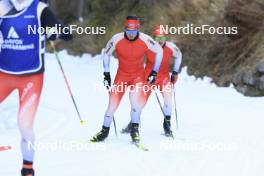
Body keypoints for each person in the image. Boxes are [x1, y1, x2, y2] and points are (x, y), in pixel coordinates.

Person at [0, 0, 72, 175]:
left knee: (24, 124)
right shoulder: (3, 6)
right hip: (4, 74)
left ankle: (28, 168)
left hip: (31, 78)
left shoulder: (39, 9)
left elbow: (67, 34)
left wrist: (54, 33)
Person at [91, 15, 163, 144]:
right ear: (125, 29)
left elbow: (159, 52)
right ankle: (104, 132)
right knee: (111, 106)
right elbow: (106, 54)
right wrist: (106, 74)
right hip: (122, 76)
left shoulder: (145, 39)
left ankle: (134, 132)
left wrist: (154, 71)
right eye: (128, 31)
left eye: (134, 31)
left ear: (138, 29)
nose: (131, 34)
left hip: (138, 77)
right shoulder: (116, 39)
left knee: (136, 105)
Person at [122, 25, 182, 137]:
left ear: (166, 38)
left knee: (169, 100)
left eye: (162, 38)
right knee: (140, 102)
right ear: (153, 38)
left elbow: (179, 56)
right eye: (157, 38)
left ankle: (167, 126)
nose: (159, 41)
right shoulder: (148, 46)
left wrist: (175, 72)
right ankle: (133, 124)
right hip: (148, 77)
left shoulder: (171, 47)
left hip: (164, 78)